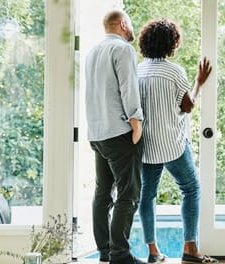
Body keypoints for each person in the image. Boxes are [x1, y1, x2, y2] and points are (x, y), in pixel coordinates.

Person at [137, 18, 217, 264]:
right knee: (191, 189)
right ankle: (190, 249)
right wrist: (199, 83)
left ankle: (153, 252)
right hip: (172, 144)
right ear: (172, 43)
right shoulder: (174, 71)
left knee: (146, 196)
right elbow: (188, 106)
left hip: (146, 145)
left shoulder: (138, 70)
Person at [85, 9, 146, 264]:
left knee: (102, 195)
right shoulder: (122, 50)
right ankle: (120, 256)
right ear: (122, 24)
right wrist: (137, 122)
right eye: (130, 25)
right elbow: (128, 87)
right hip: (119, 133)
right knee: (128, 194)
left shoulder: (93, 52)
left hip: (97, 134)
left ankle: (106, 252)